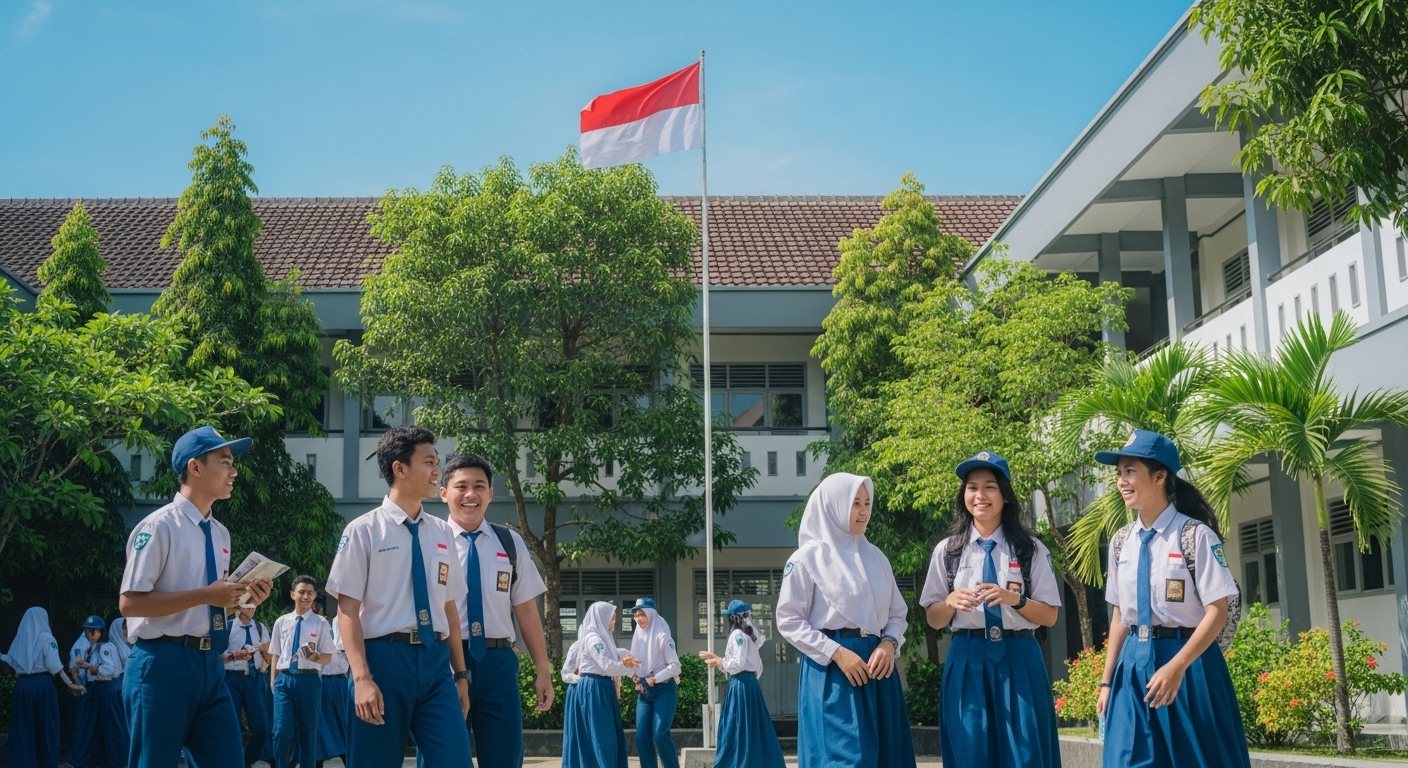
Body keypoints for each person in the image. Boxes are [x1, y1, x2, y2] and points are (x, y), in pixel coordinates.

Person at [119, 425, 275, 768]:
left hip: (209, 665)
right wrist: (207, 594)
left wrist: (243, 600)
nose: (234, 471)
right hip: (162, 663)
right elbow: (129, 603)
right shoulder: (158, 526)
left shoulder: (220, 532)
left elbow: (209, 604)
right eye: (225, 461)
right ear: (195, 467)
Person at [1093, 430, 1251, 768]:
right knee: (1127, 759)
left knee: (1194, 759)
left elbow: (1217, 611)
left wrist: (1178, 666)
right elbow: (1120, 615)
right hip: (1133, 664)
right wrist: (1107, 682)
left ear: (1160, 475)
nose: (1122, 481)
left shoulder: (1195, 536)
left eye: (1130, 471)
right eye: (1120, 473)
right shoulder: (1122, 542)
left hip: (1189, 666)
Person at [325, 425, 473, 768]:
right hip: (382, 661)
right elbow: (347, 610)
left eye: (437, 462)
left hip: (436, 663)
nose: (438, 471)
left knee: (455, 760)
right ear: (400, 468)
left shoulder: (442, 533)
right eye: (429, 462)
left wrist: (461, 675)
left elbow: (449, 607)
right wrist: (361, 678)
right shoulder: (363, 531)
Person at [919, 452, 1063, 768]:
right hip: (967, 656)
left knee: (1025, 754)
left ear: (1006, 497)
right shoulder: (948, 550)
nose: (980, 496)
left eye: (990, 487)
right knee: (971, 752)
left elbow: (1050, 616)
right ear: (964, 496)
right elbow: (932, 617)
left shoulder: (1030, 549)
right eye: (972, 488)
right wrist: (950, 602)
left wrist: (1016, 601)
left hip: (1019, 656)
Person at [776, 472, 916, 768]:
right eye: (855, 503)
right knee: (845, 759)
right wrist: (836, 653)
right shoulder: (805, 559)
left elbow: (896, 613)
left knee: (887, 757)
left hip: (878, 667)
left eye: (867, 503)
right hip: (833, 670)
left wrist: (889, 643)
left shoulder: (876, 557)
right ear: (833, 505)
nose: (864, 511)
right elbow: (789, 620)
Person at [435, 453, 554, 768]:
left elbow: (527, 611)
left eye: (479, 486)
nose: (470, 494)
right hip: (444, 661)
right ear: (444, 492)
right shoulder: (430, 540)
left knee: (504, 755)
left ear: (490, 493)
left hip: (498, 662)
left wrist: (543, 670)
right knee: (442, 756)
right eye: (461, 486)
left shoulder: (509, 542)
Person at [700, 600, 785, 768]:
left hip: (740, 685)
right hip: (750, 684)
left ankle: (734, 763)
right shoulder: (749, 637)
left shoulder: (737, 635)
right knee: (753, 725)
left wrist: (719, 661)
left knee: (735, 725)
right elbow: (755, 665)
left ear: (732, 618)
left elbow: (737, 664)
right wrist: (720, 660)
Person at [561, 601, 641, 768]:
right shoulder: (593, 638)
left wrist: (626, 660)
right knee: (602, 737)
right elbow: (606, 665)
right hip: (595, 688)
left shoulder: (604, 638)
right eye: (611, 619)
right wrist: (628, 669)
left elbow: (613, 656)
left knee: (603, 736)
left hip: (602, 687)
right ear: (601, 618)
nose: (614, 622)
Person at [2, 607, 84, 768]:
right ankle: (45, 762)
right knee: (46, 726)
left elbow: (9, 666)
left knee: (23, 727)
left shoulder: (20, 640)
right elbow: (56, 667)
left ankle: (23, 763)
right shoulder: (47, 639)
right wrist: (70, 684)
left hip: (23, 687)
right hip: (42, 686)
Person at [268, 576, 335, 768]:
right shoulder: (281, 622)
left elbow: (328, 657)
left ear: (315, 596)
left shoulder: (321, 623)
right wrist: (273, 681)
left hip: (309, 681)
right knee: (281, 731)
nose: (306, 596)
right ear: (292, 594)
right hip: (284, 680)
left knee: (308, 733)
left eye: (310, 593)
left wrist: (315, 657)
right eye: (302, 592)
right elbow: (275, 653)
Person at [69, 615, 130, 768]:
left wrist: (88, 667)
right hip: (93, 689)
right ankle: (86, 761)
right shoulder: (91, 647)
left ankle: (119, 761)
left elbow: (109, 670)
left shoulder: (106, 647)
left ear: (101, 632)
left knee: (112, 725)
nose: (88, 634)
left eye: (92, 631)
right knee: (88, 725)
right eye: (86, 631)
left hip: (104, 689)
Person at [629, 597, 681, 768]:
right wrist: (635, 675)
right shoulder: (639, 636)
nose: (638, 619)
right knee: (642, 737)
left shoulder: (663, 637)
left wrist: (655, 678)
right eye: (636, 615)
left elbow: (675, 667)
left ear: (651, 615)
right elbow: (637, 664)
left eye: (642, 614)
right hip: (645, 693)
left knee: (659, 734)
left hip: (664, 690)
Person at [221, 605, 271, 768]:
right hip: (231, 679)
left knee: (261, 728)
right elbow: (215, 658)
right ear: (239, 606)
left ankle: (246, 762)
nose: (251, 608)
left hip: (254, 679)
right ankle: (232, 762)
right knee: (232, 726)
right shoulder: (227, 627)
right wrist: (235, 655)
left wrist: (265, 651)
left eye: (254, 604)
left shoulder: (260, 628)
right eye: (247, 604)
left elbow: (270, 659)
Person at [316, 605, 351, 767]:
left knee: (344, 725)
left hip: (340, 681)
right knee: (321, 728)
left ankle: (350, 760)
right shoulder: (297, 625)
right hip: (320, 681)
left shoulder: (337, 622)